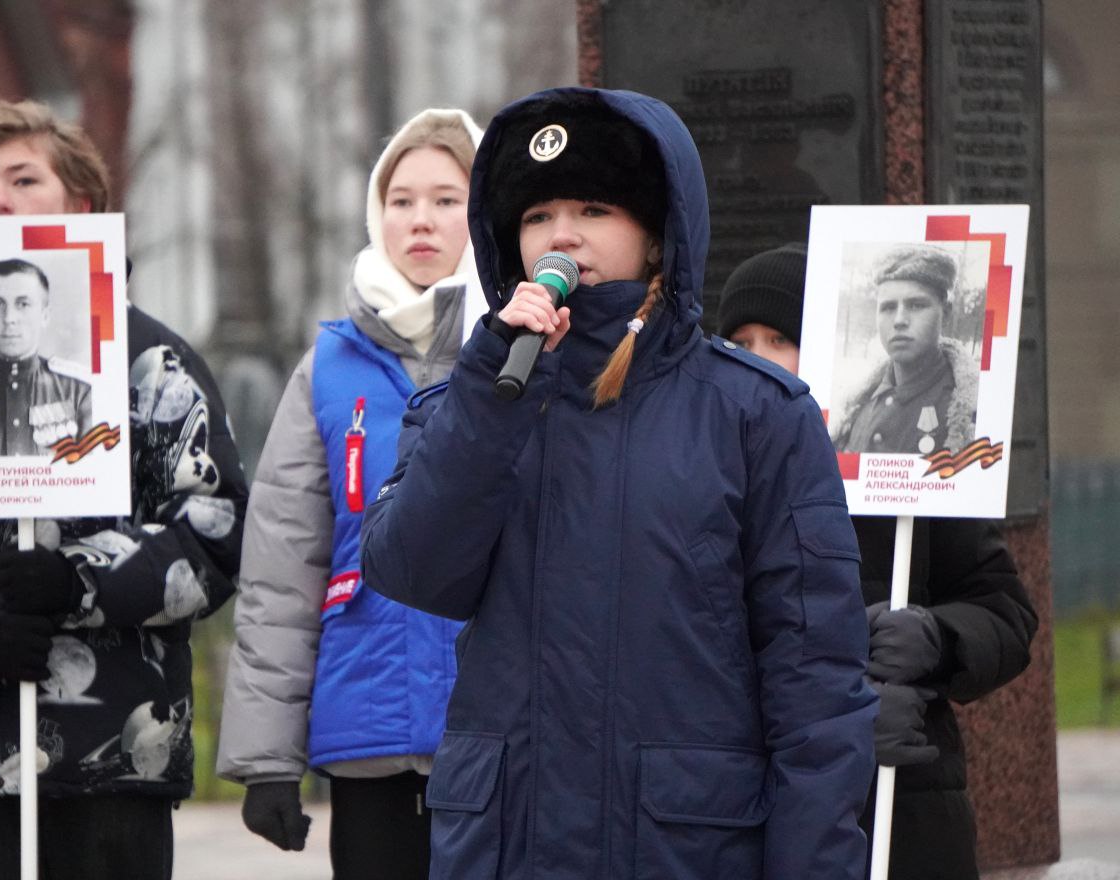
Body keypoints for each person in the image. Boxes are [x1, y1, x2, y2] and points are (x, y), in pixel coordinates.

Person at [360, 87, 876, 880]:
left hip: (678, 846)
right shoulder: (469, 401)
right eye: (535, 217)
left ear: (657, 236)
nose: (560, 235)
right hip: (510, 845)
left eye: (594, 208)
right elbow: (411, 570)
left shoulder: (755, 414)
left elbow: (816, 687)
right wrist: (490, 396)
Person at [0, 100, 247, 880]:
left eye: (24, 180)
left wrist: (78, 578)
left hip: (119, 744)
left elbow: (213, 529)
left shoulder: (153, 366)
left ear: (82, 204)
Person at [216, 108, 484, 879]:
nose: (420, 220)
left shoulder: (526, 343)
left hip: (496, 731)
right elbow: (282, 569)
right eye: (401, 200)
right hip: (371, 736)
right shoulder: (328, 367)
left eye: (445, 198)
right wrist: (269, 757)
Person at [718, 241, 1039, 880]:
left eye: (780, 340)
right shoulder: (702, 478)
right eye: (739, 344)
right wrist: (842, 713)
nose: (758, 362)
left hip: (903, 814)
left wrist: (938, 635)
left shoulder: (902, 477)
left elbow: (1003, 611)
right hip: (754, 805)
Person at [831, 246, 979, 456]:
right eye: (888, 307)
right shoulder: (856, 406)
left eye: (917, 305)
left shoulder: (969, 413)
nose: (899, 320)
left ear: (945, 314)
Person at [0, 257, 92, 457]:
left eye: (23, 304)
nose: (9, 318)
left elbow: (94, 479)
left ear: (45, 315)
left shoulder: (80, 392)